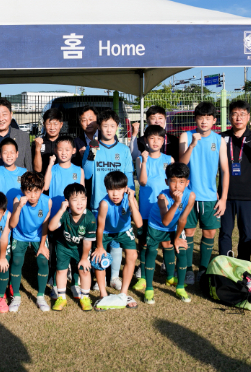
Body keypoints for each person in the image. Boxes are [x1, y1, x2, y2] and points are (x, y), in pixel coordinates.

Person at [81, 110, 134, 290]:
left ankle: (114, 277)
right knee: (99, 240)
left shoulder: (124, 150)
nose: (109, 130)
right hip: (98, 203)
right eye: (105, 126)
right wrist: (92, 152)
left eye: (112, 126)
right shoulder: (93, 147)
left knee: (117, 240)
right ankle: (99, 278)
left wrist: (130, 196)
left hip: (119, 204)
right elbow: (87, 174)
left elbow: (129, 177)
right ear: (99, 128)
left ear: (117, 127)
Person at [179, 102, 229, 284]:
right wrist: (192, 145)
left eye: (208, 118)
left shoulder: (219, 140)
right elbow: (181, 165)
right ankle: (189, 270)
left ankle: (204, 270)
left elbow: (225, 170)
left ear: (214, 120)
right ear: (196, 120)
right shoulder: (186, 136)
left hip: (210, 197)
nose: (204, 121)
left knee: (209, 234)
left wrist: (223, 198)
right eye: (201, 118)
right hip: (189, 196)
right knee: (189, 233)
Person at [219, 100, 251, 260]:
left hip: (248, 195)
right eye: (235, 114)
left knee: (246, 233)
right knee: (225, 232)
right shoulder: (221, 137)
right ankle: (225, 265)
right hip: (225, 195)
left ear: (248, 117)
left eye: (242, 114)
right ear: (229, 117)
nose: (238, 118)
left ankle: (243, 264)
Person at [144, 162, 195, 305]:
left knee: (182, 251)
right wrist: (175, 203)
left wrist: (178, 238)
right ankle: (148, 289)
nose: (177, 186)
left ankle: (179, 287)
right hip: (156, 226)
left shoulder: (190, 196)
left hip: (174, 228)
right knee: (152, 252)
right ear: (167, 182)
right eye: (173, 181)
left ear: (187, 183)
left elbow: (183, 218)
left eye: (181, 182)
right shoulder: (162, 197)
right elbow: (165, 221)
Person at [91, 171, 142, 309]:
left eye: (119, 189)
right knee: (99, 258)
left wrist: (131, 200)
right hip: (106, 232)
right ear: (106, 189)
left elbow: (139, 224)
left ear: (125, 189)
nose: (115, 194)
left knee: (132, 255)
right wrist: (99, 247)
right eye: (111, 190)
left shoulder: (129, 199)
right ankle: (103, 295)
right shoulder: (104, 204)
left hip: (124, 230)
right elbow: (100, 228)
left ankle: (123, 294)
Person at [133, 125, 175, 293]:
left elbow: (173, 183)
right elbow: (142, 182)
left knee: (167, 243)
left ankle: (171, 276)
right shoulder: (140, 159)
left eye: (159, 138)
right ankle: (143, 277)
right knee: (144, 244)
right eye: (152, 138)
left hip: (165, 210)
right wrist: (144, 161)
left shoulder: (169, 159)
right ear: (145, 140)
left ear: (163, 140)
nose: (155, 141)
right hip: (145, 209)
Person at [43, 135, 84, 299]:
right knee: (54, 252)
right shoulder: (52, 169)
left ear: (74, 151)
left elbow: (82, 194)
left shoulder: (78, 170)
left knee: (74, 251)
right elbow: (45, 186)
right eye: (60, 149)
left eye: (67, 149)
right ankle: (54, 282)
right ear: (55, 151)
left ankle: (75, 283)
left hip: (73, 218)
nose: (64, 153)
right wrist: (50, 165)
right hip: (56, 217)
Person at [9, 171, 52, 312]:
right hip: (19, 234)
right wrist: (19, 207)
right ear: (23, 191)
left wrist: (43, 245)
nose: (33, 195)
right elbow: (13, 224)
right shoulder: (17, 199)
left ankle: (40, 296)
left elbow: (45, 224)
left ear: (41, 190)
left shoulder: (47, 201)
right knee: (16, 261)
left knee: (43, 260)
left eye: (36, 191)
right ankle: (16, 296)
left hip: (38, 236)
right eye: (29, 191)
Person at [47, 183, 95, 312]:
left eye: (83, 199)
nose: (79, 203)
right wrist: (61, 210)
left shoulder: (90, 218)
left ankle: (85, 297)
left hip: (81, 248)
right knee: (61, 271)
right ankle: (61, 297)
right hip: (63, 246)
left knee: (84, 270)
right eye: (75, 200)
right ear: (67, 202)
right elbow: (51, 227)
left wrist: (84, 258)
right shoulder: (64, 214)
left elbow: (87, 242)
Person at [0, 137, 27, 213]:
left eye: (12, 152)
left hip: (19, 213)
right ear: (0, 155)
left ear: (17, 154)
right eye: (5, 153)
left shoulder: (24, 172)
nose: (9, 156)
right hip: (0, 213)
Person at [33, 108, 63, 174]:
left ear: (61, 124)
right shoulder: (38, 143)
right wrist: (37, 149)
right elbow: (37, 169)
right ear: (44, 124)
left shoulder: (66, 143)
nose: (52, 128)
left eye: (55, 124)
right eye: (49, 124)